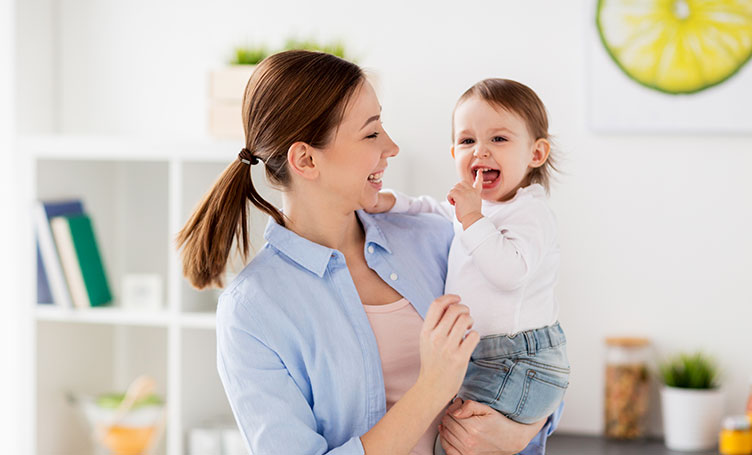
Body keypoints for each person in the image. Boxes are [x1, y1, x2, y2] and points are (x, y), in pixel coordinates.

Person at [177, 51, 559, 455]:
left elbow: (534, 351)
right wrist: (432, 389)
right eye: (371, 132)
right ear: (306, 159)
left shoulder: (437, 237)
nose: (391, 146)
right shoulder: (253, 310)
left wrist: (527, 426)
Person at [368, 78, 569, 455]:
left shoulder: (530, 212)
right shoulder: (478, 207)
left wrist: (474, 217)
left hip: (519, 357)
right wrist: (392, 202)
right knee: (461, 439)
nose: (481, 151)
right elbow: (434, 207)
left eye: (499, 139)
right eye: (467, 141)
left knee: (457, 444)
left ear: (536, 154)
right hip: (489, 355)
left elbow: (510, 273)